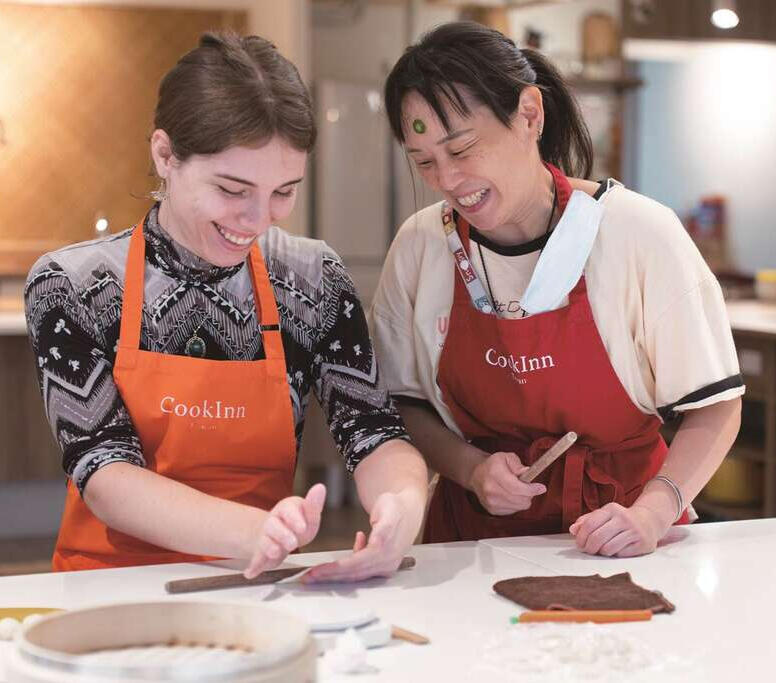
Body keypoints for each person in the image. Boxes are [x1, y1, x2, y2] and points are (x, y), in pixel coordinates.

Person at [25, 32, 427, 579]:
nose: (259, 219)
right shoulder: (73, 284)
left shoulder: (311, 279)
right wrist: (254, 532)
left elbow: (374, 432)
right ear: (165, 154)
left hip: (259, 583)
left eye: (283, 191)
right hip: (107, 585)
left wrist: (399, 508)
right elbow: (105, 471)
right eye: (233, 190)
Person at [369, 22, 742, 556]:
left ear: (529, 114)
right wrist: (471, 470)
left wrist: (653, 513)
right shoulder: (422, 245)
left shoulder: (637, 233)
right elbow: (404, 404)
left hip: (628, 532)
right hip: (470, 545)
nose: (447, 180)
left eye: (464, 148)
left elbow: (717, 406)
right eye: (424, 161)